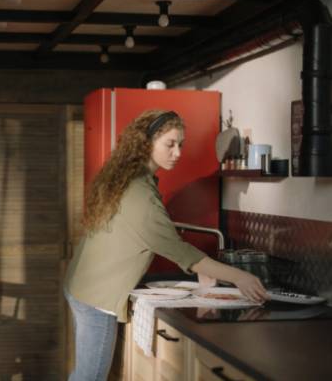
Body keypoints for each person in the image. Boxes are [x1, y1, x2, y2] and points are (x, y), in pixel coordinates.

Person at [64, 109, 268, 381]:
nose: (178, 152)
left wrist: (203, 268)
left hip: (84, 286)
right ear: (146, 143)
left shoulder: (131, 178)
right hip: (97, 297)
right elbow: (178, 249)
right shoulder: (140, 194)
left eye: (180, 144)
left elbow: (167, 244)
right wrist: (240, 276)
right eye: (170, 144)